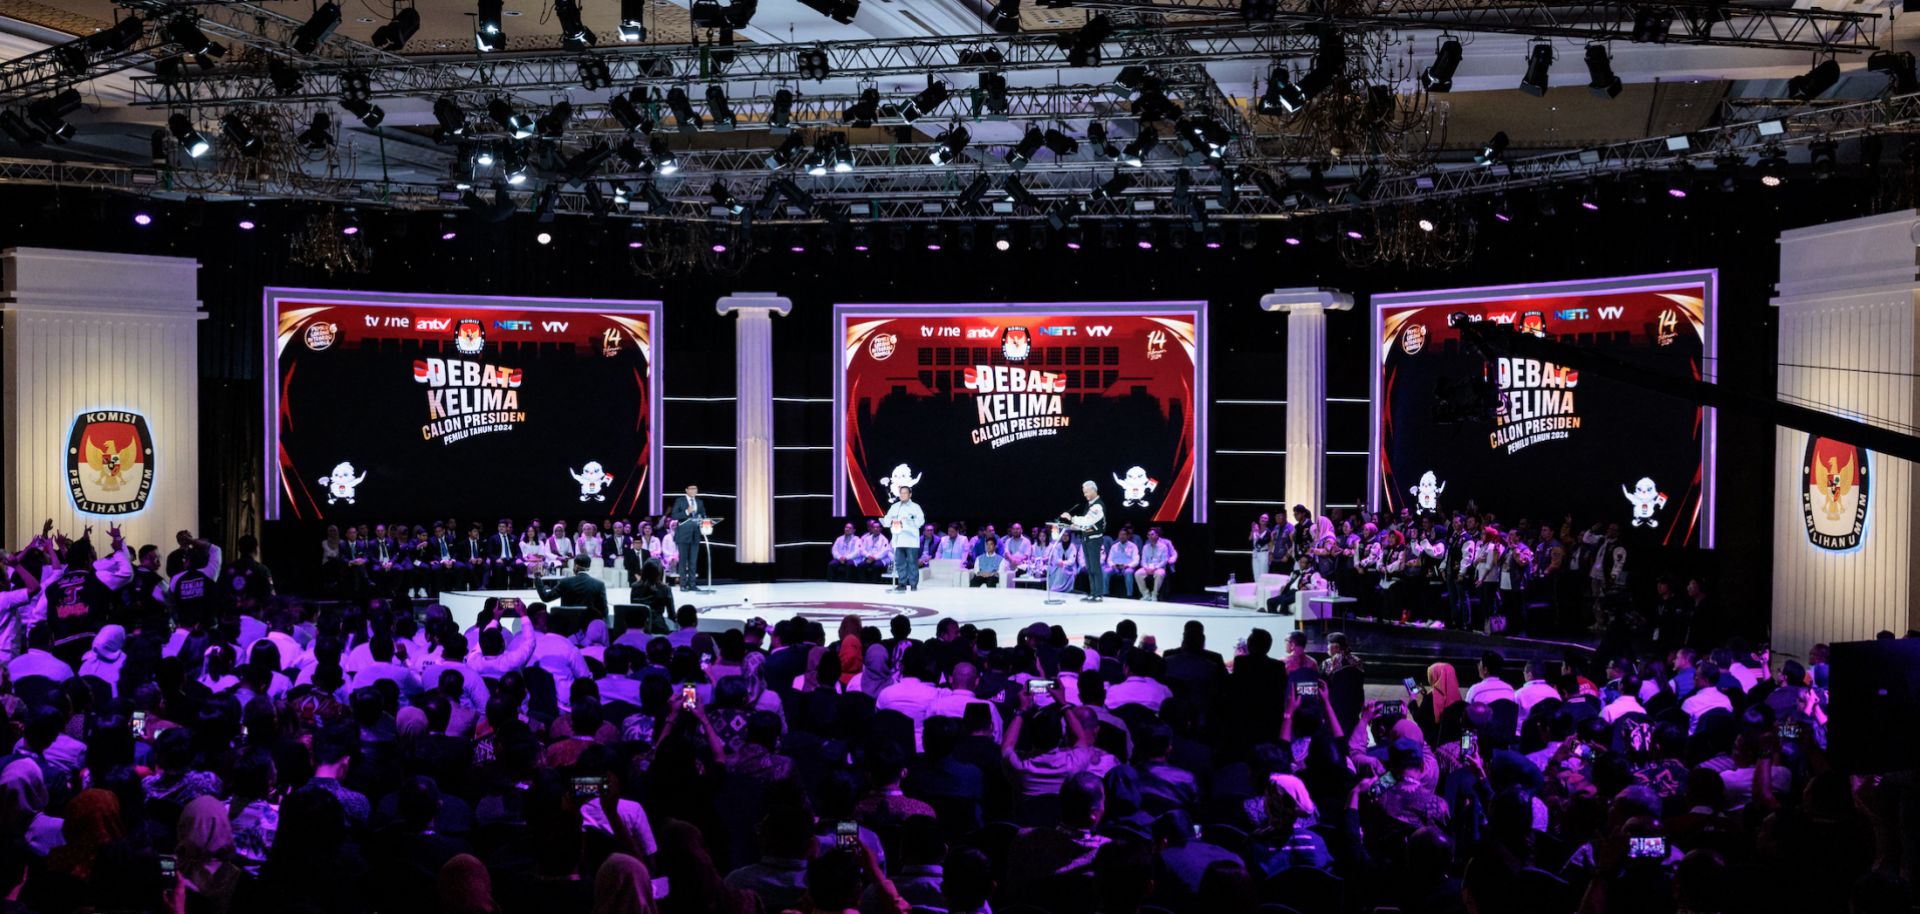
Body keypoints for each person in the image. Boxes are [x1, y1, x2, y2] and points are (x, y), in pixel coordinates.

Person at [1061, 480, 1109, 603]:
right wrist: (1072, 526)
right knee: (1089, 568)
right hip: (1087, 539)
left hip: (1094, 540)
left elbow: (1087, 521)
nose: (1085, 494)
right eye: (1084, 492)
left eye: (1086, 492)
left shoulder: (1098, 506)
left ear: (1093, 490)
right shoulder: (1090, 505)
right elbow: (1086, 526)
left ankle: (1098, 594)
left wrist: (1072, 518)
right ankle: (1092, 593)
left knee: (1095, 567)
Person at [536, 555, 610, 621]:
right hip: (588, 626)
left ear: (576, 567)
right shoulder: (599, 585)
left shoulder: (564, 582)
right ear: (589, 568)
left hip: (568, 627)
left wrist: (537, 577)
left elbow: (545, 597)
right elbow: (604, 612)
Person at [881, 485, 926, 593]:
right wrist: (889, 521)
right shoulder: (895, 506)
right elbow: (887, 518)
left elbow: (921, 522)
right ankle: (902, 583)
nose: (902, 495)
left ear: (910, 494)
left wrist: (910, 520)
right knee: (900, 563)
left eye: (905, 493)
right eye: (901, 493)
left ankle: (913, 584)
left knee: (912, 563)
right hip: (898, 539)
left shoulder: (915, 507)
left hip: (911, 540)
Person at [670, 483, 709, 592]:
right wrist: (687, 511)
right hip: (683, 534)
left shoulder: (699, 502)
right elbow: (674, 515)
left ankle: (692, 584)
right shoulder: (680, 500)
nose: (694, 490)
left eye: (695, 488)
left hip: (695, 534)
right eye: (691, 488)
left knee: (693, 561)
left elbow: (703, 515)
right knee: (683, 561)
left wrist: (704, 519)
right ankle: (683, 584)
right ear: (686, 490)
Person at [1135, 528, 1177, 602]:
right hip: (1147, 567)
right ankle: (1146, 594)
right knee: (1137, 573)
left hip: (1159, 567)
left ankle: (1154, 594)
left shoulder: (1163, 546)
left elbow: (1164, 560)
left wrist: (1155, 568)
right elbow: (1143, 560)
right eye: (1148, 535)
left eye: (1152, 534)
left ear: (1157, 536)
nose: (1150, 536)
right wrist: (1146, 567)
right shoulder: (1145, 547)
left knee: (1159, 574)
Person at [1104, 527, 1140, 598]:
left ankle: (1129, 595)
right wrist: (1112, 565)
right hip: (1115, 566)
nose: (1122, 536)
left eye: (1124, 535)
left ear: (1128, 536)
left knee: (1128, 572)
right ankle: (1105, 593)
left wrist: (1128, 565)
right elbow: (1109, 559)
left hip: (1127, 567)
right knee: (1105, 571)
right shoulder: (1114, 546)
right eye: (1120, 534)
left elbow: (1136, 560)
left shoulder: (1133, 546)